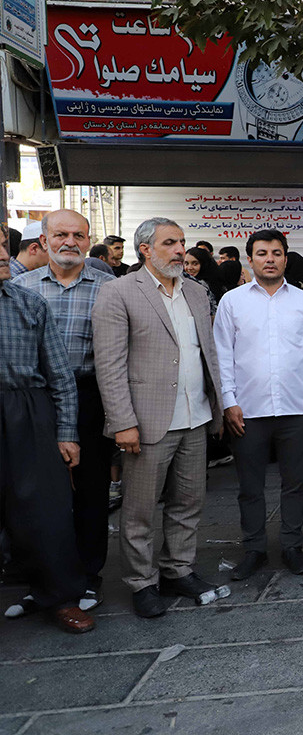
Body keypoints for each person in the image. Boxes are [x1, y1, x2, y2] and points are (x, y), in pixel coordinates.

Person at [92, 217, 227, 618]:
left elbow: (208, 353)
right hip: (147, 421)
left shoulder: (196, 291)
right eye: (170, 243)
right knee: (139, 510)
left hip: (195, 415)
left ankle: (177, 570)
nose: (180, 250)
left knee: (188, 502)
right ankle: (141, 582)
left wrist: (218, 406)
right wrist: (123, 422)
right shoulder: (118, 292)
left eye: (182, 242)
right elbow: (110, 365)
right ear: (145, 249)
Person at [11, 209, 115, 614]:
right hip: (34, 401)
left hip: (90, 398)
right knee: (36, 497)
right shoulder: (21, 287)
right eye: (60, 234)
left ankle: (87, 578)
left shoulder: (109, 289)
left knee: (90, 493)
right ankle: (43, 583)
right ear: (44, 240)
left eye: (78, 235)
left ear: (88, 241)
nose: (70, 242)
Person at [214, 229, 303, 581]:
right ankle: (255, 549)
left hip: (295, 409)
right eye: (262, 253)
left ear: (285, 258)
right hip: (247, 411)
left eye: (276, 253)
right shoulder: (232, 302)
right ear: (249, 259)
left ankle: (292, 546)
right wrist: (229, 402)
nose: (270, 259)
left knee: (295, 484)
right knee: (250, 487)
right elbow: (223, 356)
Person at [0, 224, 96, 634]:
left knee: (46, 512)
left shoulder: (29, 302)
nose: (3, 254)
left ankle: (59, 596)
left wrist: (66, 432)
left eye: (3, 245)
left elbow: (60, 375)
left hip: (28, 412)